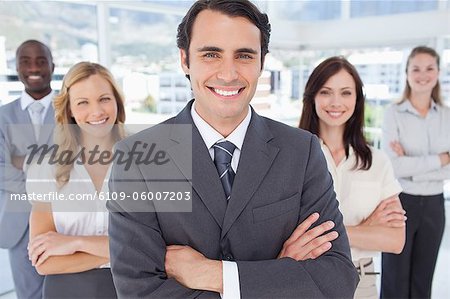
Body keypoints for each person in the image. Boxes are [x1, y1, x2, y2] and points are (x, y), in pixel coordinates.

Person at [107, 1, 359, 298]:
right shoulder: (137, 159)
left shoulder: (301, 152)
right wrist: (278, 273)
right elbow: (140, 291)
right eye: (211, 54)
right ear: (185, 60)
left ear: (262, 63)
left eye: (244, 55)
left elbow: (337, 280)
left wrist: (214, 274)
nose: (228, 74)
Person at [299, 56, 406, 298]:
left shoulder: (377, 161)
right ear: (312, 97)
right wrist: (366, 228)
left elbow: (395, 240)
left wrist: (321, 235)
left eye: (346, 93)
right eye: (326, 92)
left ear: (357, 100)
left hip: (362, 280)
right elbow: (282, 233)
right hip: (305, 278)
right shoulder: (292, 155)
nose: (336, 102)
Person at [26, 62, 126, 298]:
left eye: (104, 99)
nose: (97, 112)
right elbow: (44, 261)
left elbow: (161, 248)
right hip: (67, 291)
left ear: (116, 102)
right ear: (69, 109)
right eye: (83, 102)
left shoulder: (148, 162)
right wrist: (124, 252)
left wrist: (75, 242)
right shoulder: (45, 167)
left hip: (133, 289)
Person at [381, 46, 450, 299]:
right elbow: (394, 167)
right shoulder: (393, 114)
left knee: (423, 281)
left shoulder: (447, 116)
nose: (423, 74)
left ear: (438, 72)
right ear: (407, 74)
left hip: (434, 206)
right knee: (394, 280)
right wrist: (441, 158)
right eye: (416, 68)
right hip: (399, 202)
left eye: (429, 68)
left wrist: (412, 165)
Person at [0, 39, 55, 299]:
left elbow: (78, 162)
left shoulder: (70, 111)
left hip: (64, 219)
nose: (34, 67)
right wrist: (45, 186)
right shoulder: (2, 117)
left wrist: (20, 160)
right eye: (26, 61)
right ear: (17, 67)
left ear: (52, 66)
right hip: (18, 224)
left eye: (41, 61)